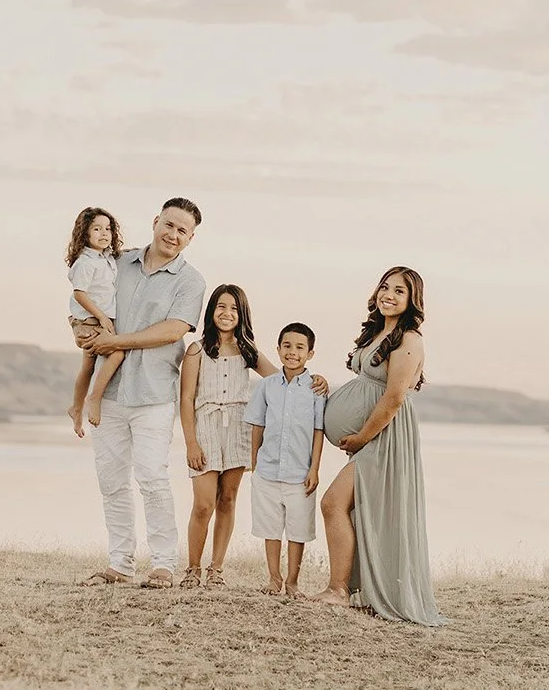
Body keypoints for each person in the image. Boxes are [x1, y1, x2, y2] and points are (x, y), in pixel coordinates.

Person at [77, 197, 207, 589]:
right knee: (111, 480)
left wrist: (118, 341)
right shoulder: (116, 263)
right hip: (109, 391)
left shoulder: (190, 281)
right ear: (156, 221)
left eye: (183, 231)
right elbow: (89, 302)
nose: (173, 234)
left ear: (191, 238)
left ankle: (164, 564)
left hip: (153, 394)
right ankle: (120, 563)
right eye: (169, 225)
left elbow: (173, 330)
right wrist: (87, 334)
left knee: (152, 477)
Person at [307, 266, 444, 626]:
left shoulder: (409, 339)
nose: (389, 295)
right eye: (386, 287)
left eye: (399, 291)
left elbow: (395, 397)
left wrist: (363, 436)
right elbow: (365, 387)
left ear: (412, 300)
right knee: (359, 511)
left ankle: (338, 590)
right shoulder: (379, 332)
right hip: (370, 437)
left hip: (386, 437)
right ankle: (354, 589)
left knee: (333, 502)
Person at [178, 288, 329, 589]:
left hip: (238, 427)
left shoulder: (248, 351)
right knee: (204, 503)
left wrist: (315, 380)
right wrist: (191, 442)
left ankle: (216, 570)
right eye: (220, 307)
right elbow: (185, 399)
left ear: (242, 314)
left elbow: (283, 377)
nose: (226, 313)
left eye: (234, 309)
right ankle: (193, 568)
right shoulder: (196, 350)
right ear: (211, 311)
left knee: (228, 499)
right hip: (206, 426)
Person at [244, 322, 326, 597]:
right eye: (287, 346)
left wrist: (314, 469)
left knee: (298, 530)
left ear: (310, 354)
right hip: (267, 471)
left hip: (300, 474)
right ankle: (274, 578)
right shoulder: (267, 386)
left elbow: (318, 431)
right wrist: (255, 464)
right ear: (278, 350)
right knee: (270, 528)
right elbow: (257, 425)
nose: (293, 352)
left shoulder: (316, 390)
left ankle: (292, 581)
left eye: (300, 347)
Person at [64, 207, 126, 438]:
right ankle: (94, 399)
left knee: (88, 367)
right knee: (118, 352)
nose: (104, 233)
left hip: (97, 320)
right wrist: (101, 316)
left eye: (108, 229)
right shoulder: (85, 262)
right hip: (90, 321)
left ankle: (76, 407)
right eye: (97, 229)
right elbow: (80, 293)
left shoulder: (106, 258)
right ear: (85, 234)